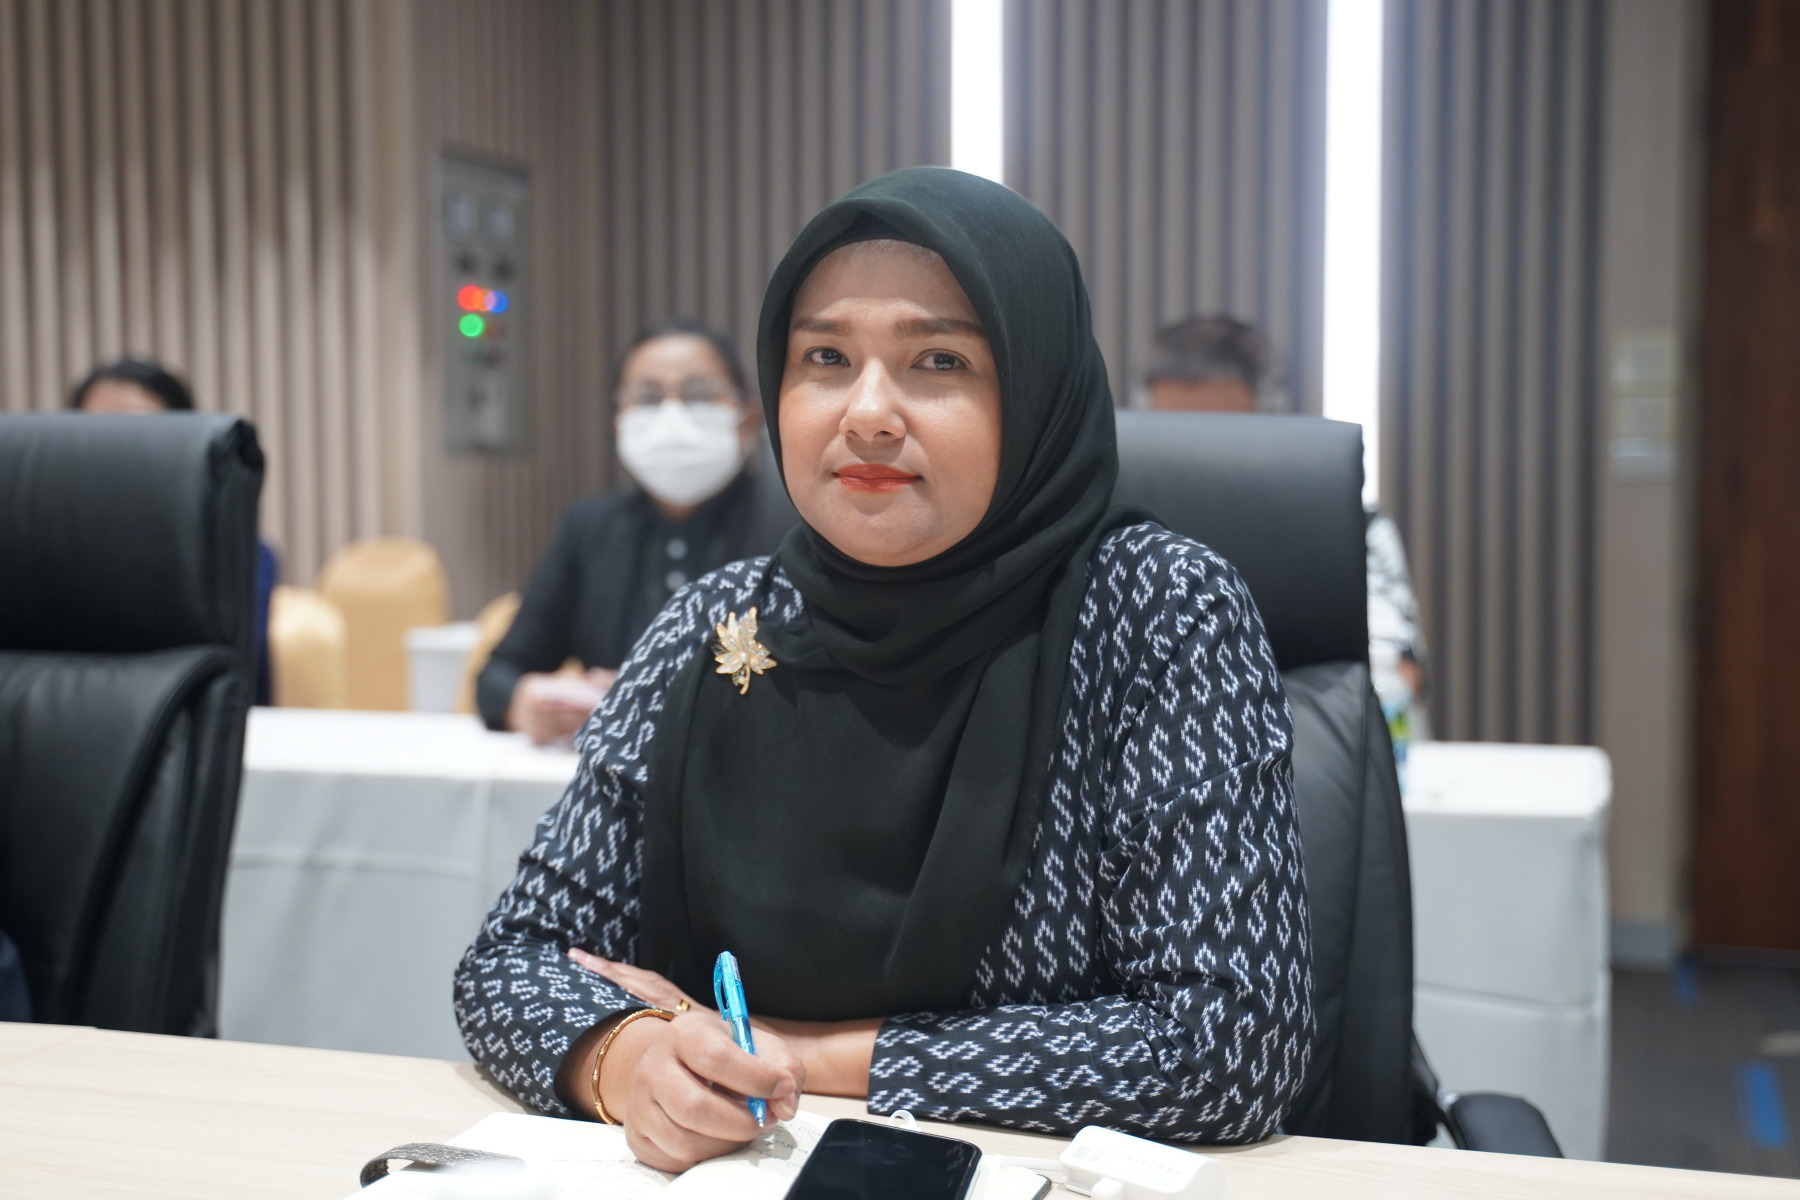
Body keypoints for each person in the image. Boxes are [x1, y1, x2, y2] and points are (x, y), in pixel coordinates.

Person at [455, 168, 1314, 1171]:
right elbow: (512, 961)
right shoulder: (713, 624)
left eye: (938, 360)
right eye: (824, 356)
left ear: (1036, 391)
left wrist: (799, 1058)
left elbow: (1226, 1046)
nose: (866, 413)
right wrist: (629, 1059)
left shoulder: (1155, 612)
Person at [475, 321, 765, 744]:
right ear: (618, 423)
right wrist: (524, 702)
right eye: (646, 397)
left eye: (700, 394)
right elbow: (497, 676)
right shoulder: (590, 529)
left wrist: (649, 698)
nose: (672, 416)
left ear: (747, 418)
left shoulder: (794, 527)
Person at [1142, 317, 1430, 742]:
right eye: (1173, 433)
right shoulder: (1117, 528)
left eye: (1219, 433)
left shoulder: (1344, 519)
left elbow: (1396, 671)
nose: (1197, 454)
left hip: (1313, 744)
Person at [70, 358, 279, 706]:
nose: (113, 454)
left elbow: (222, 679)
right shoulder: (42, 556)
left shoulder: (235, 554)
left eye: (136, 435)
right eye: (97, 434)